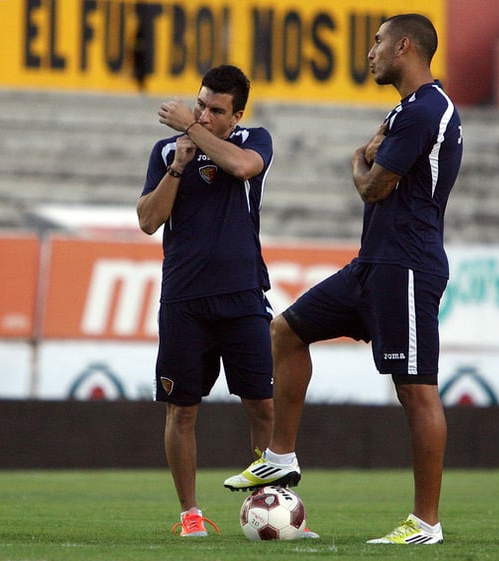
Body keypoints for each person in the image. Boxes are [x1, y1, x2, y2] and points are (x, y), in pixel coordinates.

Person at [224, 14, 463, 545]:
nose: (371, 51)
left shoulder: (427, 109)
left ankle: (426, 524)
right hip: (372, 264)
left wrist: (358, 159)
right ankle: (280, 458)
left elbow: (373, 187)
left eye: (378, 42)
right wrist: (368, 160)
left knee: (416, 392)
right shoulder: (407, 110)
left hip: (405, 265)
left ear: (405, 46)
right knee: (285, 330)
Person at [137, 65, 277, 538]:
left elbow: (241, 168)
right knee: (182, 409)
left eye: (217, 110)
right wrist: (178, 163)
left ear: (236, 114)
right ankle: (190, 516)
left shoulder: (255, 139)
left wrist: (191, 128)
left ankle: (267, 506)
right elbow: (147, 221)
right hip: (184, 298)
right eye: (200, 105)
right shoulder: (165, 152)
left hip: (242, 295)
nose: (204, 115)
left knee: (262, 405)